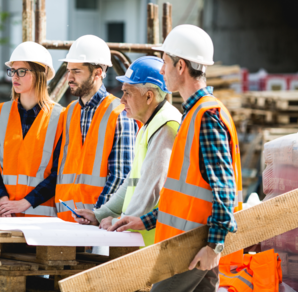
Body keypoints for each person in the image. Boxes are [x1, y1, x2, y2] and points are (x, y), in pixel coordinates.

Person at [108, 25, 243, 292]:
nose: (161, 70)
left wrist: (214, 246)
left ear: (181, 66)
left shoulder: (206, 117)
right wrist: (144, 220)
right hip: (189, 244)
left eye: (166, 63)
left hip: (192, 247)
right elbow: (183, 195)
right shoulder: (194, 115)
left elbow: (224, 189)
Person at [73, 56, 181, 247]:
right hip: (145, 239)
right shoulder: (149, 125)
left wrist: (119, 222)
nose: (121, 100)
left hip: (158, 244)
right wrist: (101, 215)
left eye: (128, 93)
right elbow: (132, 183)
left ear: (149, 96)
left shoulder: (165, 126)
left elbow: (150, 190)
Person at [55, 35, 138, 223]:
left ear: (98, 73)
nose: (69, 77)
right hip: (66, 221)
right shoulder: (69, 113)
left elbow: (121, 175)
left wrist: (98, 214)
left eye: (76, 71)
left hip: (101, 224)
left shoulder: (119, 113)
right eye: (68, 71)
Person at [0, 42, 63, 217]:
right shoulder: (0, 112)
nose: (14, 77)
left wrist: (25, 203)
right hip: (2, 217)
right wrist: (2, 199)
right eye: (13, 71)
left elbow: (59, 173)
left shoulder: (61, 118)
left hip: (40, 221)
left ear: (40, 73)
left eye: (22, 71)